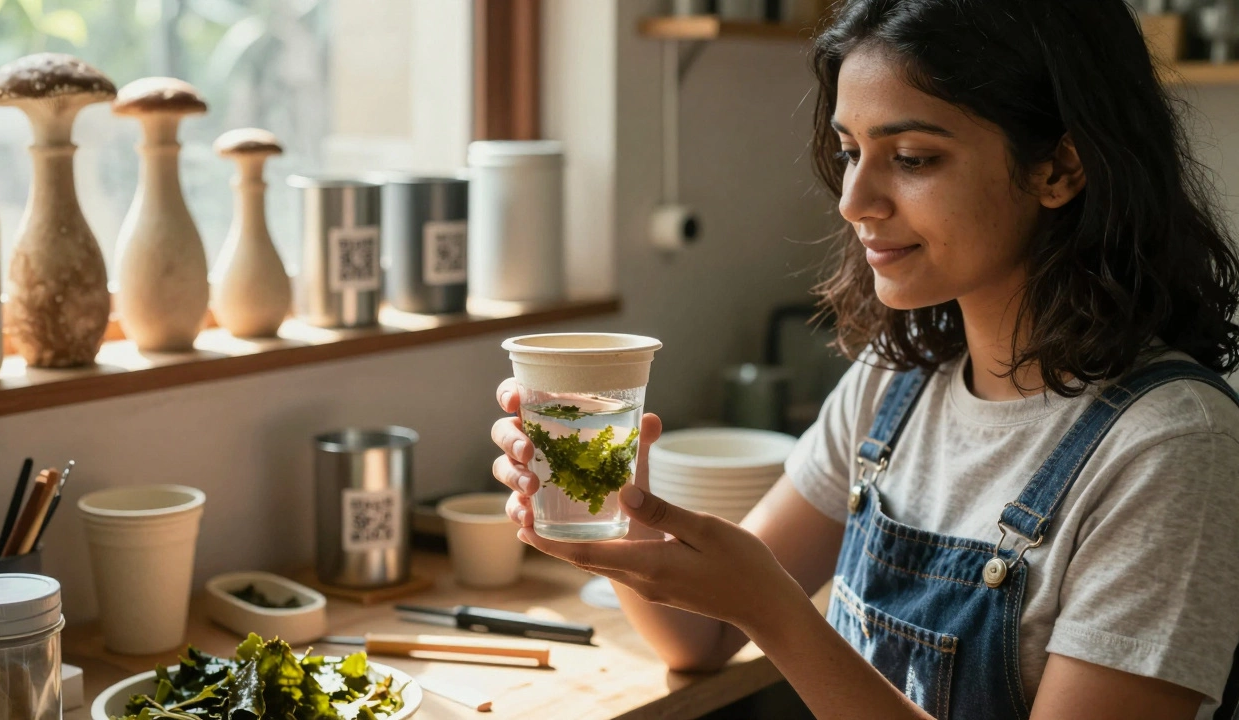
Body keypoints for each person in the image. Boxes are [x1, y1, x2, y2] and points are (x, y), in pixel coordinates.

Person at [489, 1, 1239, 717]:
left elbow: (753, 615)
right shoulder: (893, 382)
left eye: (911, 157)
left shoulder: (1171, 449)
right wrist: (618, 514)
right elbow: (701, 639)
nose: (853, 198)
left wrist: (776, 613)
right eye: (850, 151)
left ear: (1059, 170)